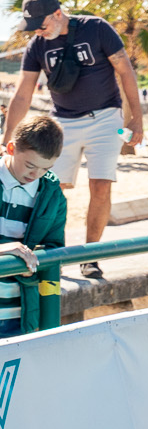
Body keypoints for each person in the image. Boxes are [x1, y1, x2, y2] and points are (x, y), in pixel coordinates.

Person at [4, 0, 145, 272]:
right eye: (33, 28)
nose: (38, 32)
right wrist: (7, 137)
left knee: (101, 184)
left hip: (105, 117)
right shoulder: (37, 46)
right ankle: (49, 254)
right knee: (50, 186)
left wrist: (136, 119)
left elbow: (126, 71)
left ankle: (90, 256)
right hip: (63, 121)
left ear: (58, 14)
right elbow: (22, 93)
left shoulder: (97, 29)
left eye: (41, 25)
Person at [0, 115, 67, 337]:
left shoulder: (52, 195)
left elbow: (54, 248)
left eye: (46, 168)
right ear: (11, 148)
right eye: (30, 165)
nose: (35, 174)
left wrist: (36, 263)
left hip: (18, 315)